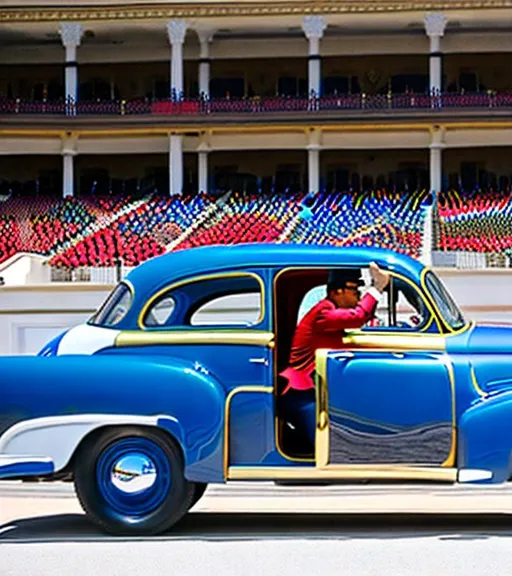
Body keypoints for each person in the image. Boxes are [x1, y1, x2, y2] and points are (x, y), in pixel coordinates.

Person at [279, 262, 391, 449]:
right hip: (301, 393)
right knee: (326, 448)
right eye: (353, 289)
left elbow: (361, 316)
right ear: (336, 291)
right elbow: (357, 317)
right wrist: (377, 287)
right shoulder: (323, 312)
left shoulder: (329, 311)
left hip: (313, 390)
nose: (358, 294)